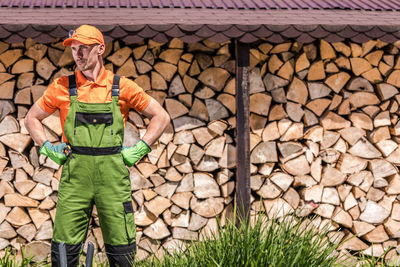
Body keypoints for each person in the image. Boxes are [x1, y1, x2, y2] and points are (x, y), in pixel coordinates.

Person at [25, 25, 170, 266]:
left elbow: (161, 116)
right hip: (75, 178)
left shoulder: (121, 86)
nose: (78, 55)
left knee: (121, 248)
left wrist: (140, 148)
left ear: (100, 48)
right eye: (74, 49)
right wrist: (46, 147)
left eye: (84, 48)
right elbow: (31, 118)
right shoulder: (63, 86)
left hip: (112, 178)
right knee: (64, 250)